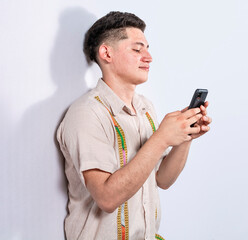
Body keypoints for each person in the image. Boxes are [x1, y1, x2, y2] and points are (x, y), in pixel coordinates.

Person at [57, 11, 211, 240]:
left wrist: (184, 137)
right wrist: (161, 138)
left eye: (147, 49)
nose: (148, 57)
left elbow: (162, 180)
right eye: (137, 49)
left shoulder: (146, 108)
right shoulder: (87, 113)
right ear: (106, 53)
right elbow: (106, 198)